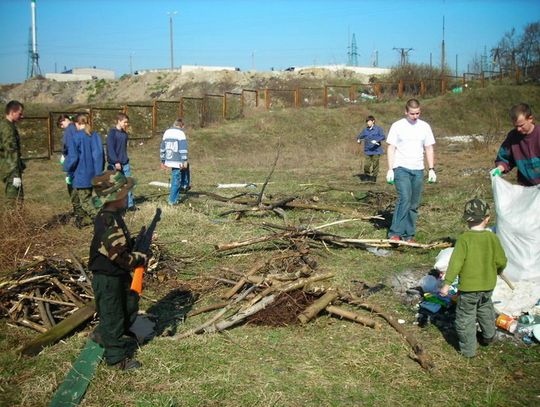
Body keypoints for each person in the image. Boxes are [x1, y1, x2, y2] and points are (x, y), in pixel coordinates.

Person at [88, 170, 147, 370]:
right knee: (113, 315)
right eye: (125, 191)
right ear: (116, 197)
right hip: (107, 277)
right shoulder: (107, 221)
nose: (127, 194)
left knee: (129, 305)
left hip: (117, 274)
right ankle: (116, 358)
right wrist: (138, 258)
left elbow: (120, 246)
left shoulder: (114, 215)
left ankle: (103, 333)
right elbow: (118, 255)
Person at [439, 199, 507, 358]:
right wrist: (499, 269)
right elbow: (501, 260)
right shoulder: (492, 238)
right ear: (487, 218)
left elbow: (455, 264)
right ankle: (489, 336)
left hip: (469, 289)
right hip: (488, 287)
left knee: (466, 318)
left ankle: (468, 351)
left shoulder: (464, 239)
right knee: (485, 309)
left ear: (466, 219)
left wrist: (447, 284)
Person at [386, 98, 436, 242]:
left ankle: (409, 235)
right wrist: (390, 169)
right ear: (406, 112)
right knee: (405, 198)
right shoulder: (397, 126)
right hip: (401, 167)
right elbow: (391, 147)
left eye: (418, 113)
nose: (415, 116)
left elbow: (428, 148)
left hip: (418, 169)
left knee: (414, 203)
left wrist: (431, 169)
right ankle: (395, 233)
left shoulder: (425, 127)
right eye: (412, 114)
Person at [63, 114, 104, 227]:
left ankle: (99, 221)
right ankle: (84, 220)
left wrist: (66, 167)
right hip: (93, 173)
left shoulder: (76, 137)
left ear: (77, 123)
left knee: (85, 201)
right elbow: (99, 154)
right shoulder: (94, 135)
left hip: (81, 175)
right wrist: (98, 172)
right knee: (90, 197)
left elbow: (73, 157)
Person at [491, 103, 540, 186]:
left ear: (530, 119)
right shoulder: (512, 137)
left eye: (521, 125)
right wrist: (499, 169)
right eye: (515, 126)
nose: (518, 129)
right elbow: (505, 159)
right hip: (526, 187)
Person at [107, 113, 136, 210]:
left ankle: (130, 205)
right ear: (119, 121)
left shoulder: (124, 134)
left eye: (127, 122)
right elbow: (110, 149)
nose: (126, 124)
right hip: (115, 163)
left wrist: (124, 160)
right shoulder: (112, 133)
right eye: (125, 122)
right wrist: (116, 161)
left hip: (125, 162)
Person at [160, 118, 190, 205]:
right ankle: (172, 200)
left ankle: (184, 185)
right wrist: (184, 160)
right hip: (177, 160)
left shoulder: (167, 132)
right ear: (182, 125)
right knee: (176, 179)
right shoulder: (180, 133)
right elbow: (183, 148)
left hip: (169, 158)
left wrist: (162, 160)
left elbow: (162, 147)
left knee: (185, 168)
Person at [0, 100, 25, 206]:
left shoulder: (8, 125)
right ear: (12, 112)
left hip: (10, 167)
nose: (22, 116)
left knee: (17, 199)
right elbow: (10, 151)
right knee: (14, 201)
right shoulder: (7, 128)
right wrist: (15, 175)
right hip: (10, 170)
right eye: (20, 113)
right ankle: (11, 222)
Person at [58, 114, 81, 215]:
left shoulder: (69, 130)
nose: (62, 127)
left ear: (65, 120)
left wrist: (68, 168)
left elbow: (68, 148)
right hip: (81, 163)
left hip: (73, 164)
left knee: (73, 189)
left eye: (61, 124)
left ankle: (80, 214)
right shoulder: (77, 128)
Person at [356, 115, 385, 182]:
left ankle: (374, 178)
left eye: (369, 121)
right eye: (367, 122)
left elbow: (383, 136)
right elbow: (359, 136)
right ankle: (367, 176)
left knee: (375, 164)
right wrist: (358, 140)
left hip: (376, 150)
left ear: (373, 121)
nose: (367, 123)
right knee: (367, 165)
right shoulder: (365, 130)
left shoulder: (378, 129)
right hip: (368, 150)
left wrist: (377, 140)